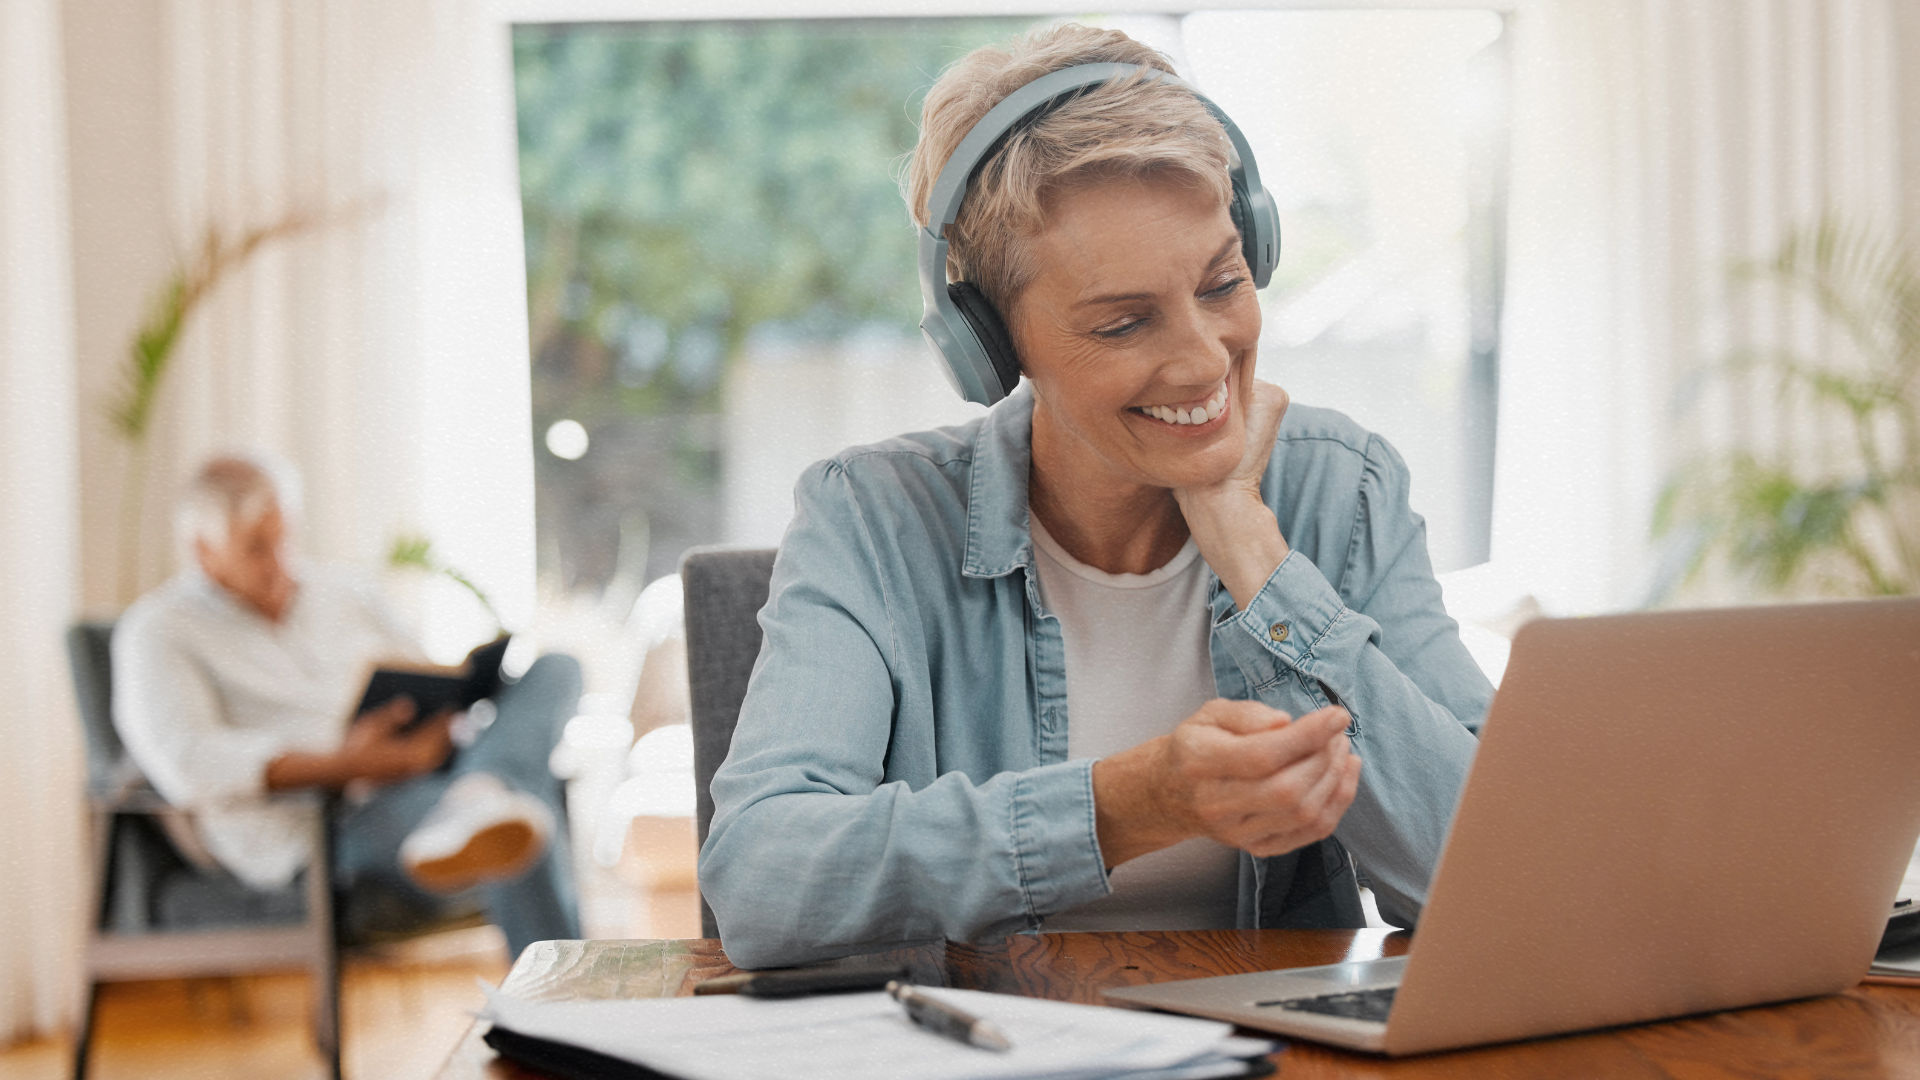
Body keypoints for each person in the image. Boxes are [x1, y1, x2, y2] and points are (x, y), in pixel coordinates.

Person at [699, 24, 1490, 969]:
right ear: (990, 345)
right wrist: (1123, 806)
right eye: (1122, 324)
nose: (1204, 358)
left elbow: (1498, 875)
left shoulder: (1339, 487)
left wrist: (1256, 554)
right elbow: (764, 881)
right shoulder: (870, 519)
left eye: (1223, 282)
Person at [113, 453, 581, 957]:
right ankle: (565, 1015)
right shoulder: (158, 632)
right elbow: (187, 763)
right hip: (328, 820)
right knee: (518, 817)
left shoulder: (345, 593)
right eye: (256, 549)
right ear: (204, 551)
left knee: (557, 668)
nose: (279, 563)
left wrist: (447, 716)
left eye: (284, 538)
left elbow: (425, 674)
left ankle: (479, 789)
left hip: (425, 775)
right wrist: (350, 763)